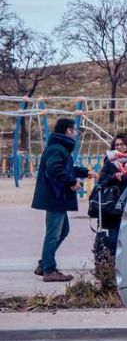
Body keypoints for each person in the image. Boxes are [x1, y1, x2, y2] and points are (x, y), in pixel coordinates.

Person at [31, 117, 92, 282]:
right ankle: (49, 270)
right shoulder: (57, 149)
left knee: (63, 231)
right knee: (53, 234)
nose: (76, 133)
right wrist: (72, 182)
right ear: (68, 131)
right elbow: (54, 169)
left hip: (57, 198)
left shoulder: (59, 148)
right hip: (55, 197)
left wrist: (85, 173)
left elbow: (67, 168)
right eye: (75, 130)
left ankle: (44, 264)